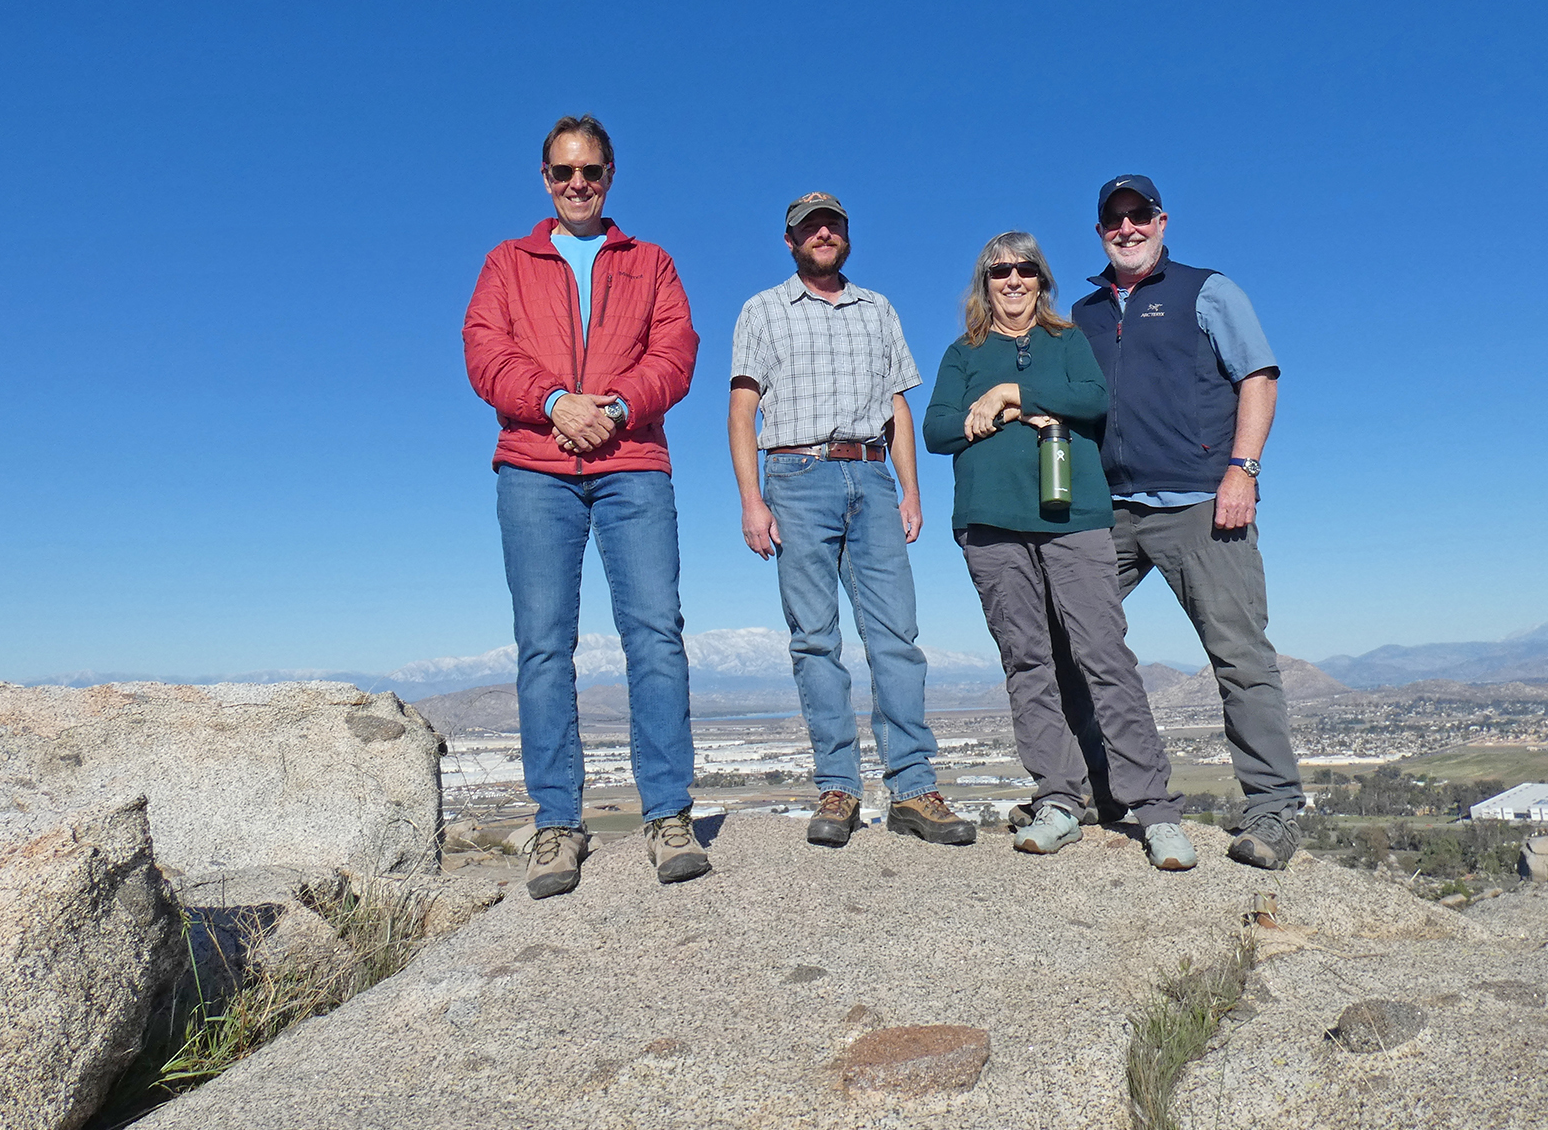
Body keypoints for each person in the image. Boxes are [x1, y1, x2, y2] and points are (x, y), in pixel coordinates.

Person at [462, 115, 711, 899]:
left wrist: (616, 404)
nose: (578, 185)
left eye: (592, 172)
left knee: (655, 634)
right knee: (542, 644)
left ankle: (667, 813)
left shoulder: (650, 262)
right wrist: (553, 400)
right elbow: (485, 350)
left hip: (631, 460)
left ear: (611, 177)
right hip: (535, 466)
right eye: (565, 172)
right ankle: (557, 824)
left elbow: (676, 354)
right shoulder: (508, 261)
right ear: (544, 177)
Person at [922, 233, 1198, 871]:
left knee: (1103, 654)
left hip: (1073, 518)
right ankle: (1059, 800)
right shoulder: (963, 353)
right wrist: (995, 405)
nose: (1012, 281)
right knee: (1028, 661)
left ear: (1040, 279)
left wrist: (1010, 398)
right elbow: (938, 428)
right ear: (984, 282)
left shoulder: (1067, 340)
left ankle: (1155, 809)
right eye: (999, 271)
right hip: (990, 524)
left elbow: (1094, 402)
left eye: (1024, 270)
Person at [1068, 172, 1306, 870]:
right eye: (1114, 220)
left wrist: (1243, 469)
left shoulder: (1206, 290)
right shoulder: (1081, 313)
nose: (1128, 229)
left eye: (1139, 216)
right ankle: (1090, 789)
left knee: (1239, 657)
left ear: (1162, 221)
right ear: (1100, 232)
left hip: (1202, 501)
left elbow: (1257, 376)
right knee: (1068, 641)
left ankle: (1274, 811)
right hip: (1108, 509)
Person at [728, 192, 977, 850]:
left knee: (896, 634)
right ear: (790, 241)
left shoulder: (879, 309)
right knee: (815, 639)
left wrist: (910, 490)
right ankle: (837, 786)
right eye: (809, 228)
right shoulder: (762, 310)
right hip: (795, 476)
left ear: (844, 234)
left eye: (832, 224)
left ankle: (914, 787)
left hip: (871, 474)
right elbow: (742, 409)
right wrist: (752, 499)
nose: (823, 234)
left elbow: (896, 405)